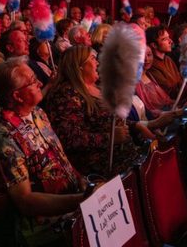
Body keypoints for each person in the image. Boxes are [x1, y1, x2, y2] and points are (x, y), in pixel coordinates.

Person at [0, 58, 88, 246]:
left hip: (72, 204)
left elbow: (60, 158)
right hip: (47, 228)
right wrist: (79, 201)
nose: (40, 83)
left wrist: (81, 181)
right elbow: (25, 201)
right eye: (33, 81)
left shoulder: (38, 113)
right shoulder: (3, 136)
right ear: (17, 96)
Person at [45, 45, 142, 176]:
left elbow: (113, 123)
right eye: (92, 58)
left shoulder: (97, 87)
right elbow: (71, 139)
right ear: (80, 66)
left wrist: (140, 126)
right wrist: (109, 138)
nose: (97, 62)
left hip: (128, 158)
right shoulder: (65, 94)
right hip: (103, 169)